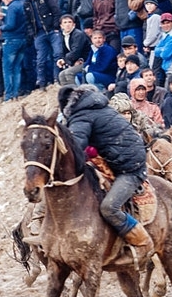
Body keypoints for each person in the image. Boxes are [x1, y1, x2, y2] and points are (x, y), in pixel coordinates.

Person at [57, 84, 155, 266]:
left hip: (129, 167)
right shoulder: (95, 108)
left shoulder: (82, 116)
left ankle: (143, 242)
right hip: (115, 160)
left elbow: (76, 147)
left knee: (109, 207)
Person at [0, 0, 28, 102]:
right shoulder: (21, 4)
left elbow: (11, 25)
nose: (3, 0)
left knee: (8, 69)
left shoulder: (12, 7)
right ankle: (15, 94)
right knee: (17, 68)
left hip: (11, 40)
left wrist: (0, 28)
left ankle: (9, 95)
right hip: (22, 39)